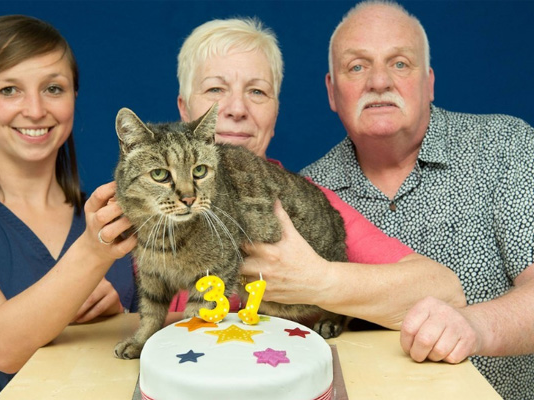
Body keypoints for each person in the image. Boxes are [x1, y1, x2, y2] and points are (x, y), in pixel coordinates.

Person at [170, 17, 466, 333]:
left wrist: (317, 279)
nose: (237, 108)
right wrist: (107, 268)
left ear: (275, 112)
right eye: (215, 88)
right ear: (185, 110)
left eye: (257, 91)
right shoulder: (142, 196)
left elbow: (446, 292)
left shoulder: (307, 204)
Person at [300, 1, 534, 398]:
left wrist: (474, 327)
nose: (378, 81)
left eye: (400, 63)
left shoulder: (504, 148)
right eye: (357, 66)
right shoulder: (307, 191)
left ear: (429, 83)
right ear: (332, 92)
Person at [0, 15, 137, 400]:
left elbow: (148, 352)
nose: (34, 109)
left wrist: (121, 320)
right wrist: (93, 252)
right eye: (9, 90)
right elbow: (0, 347)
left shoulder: (115, 216)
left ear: (74, 96)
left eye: (53, 88)